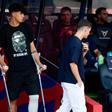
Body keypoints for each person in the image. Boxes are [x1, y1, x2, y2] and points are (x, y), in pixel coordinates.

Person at [0, 3, 47, 112]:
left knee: (35, 97)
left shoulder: (26, 27)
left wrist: (40, 64)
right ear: (13, 13)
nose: (23, 16)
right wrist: (3, 64)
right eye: (21, 13)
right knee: (13, 101)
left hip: (30, 69)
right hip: (14, 72)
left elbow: (33, 49)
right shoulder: (4, 30)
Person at [56, 19, 92, 112]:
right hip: (73, 81)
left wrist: (84, 52)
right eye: (89, 31)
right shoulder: (76, 43)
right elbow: (72, 64)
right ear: (85, 29)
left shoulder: (73, 41)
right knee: (80, 109)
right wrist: (79, 81)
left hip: (67, 80)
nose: (89, 33)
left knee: (65, 108)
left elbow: (80, 62)